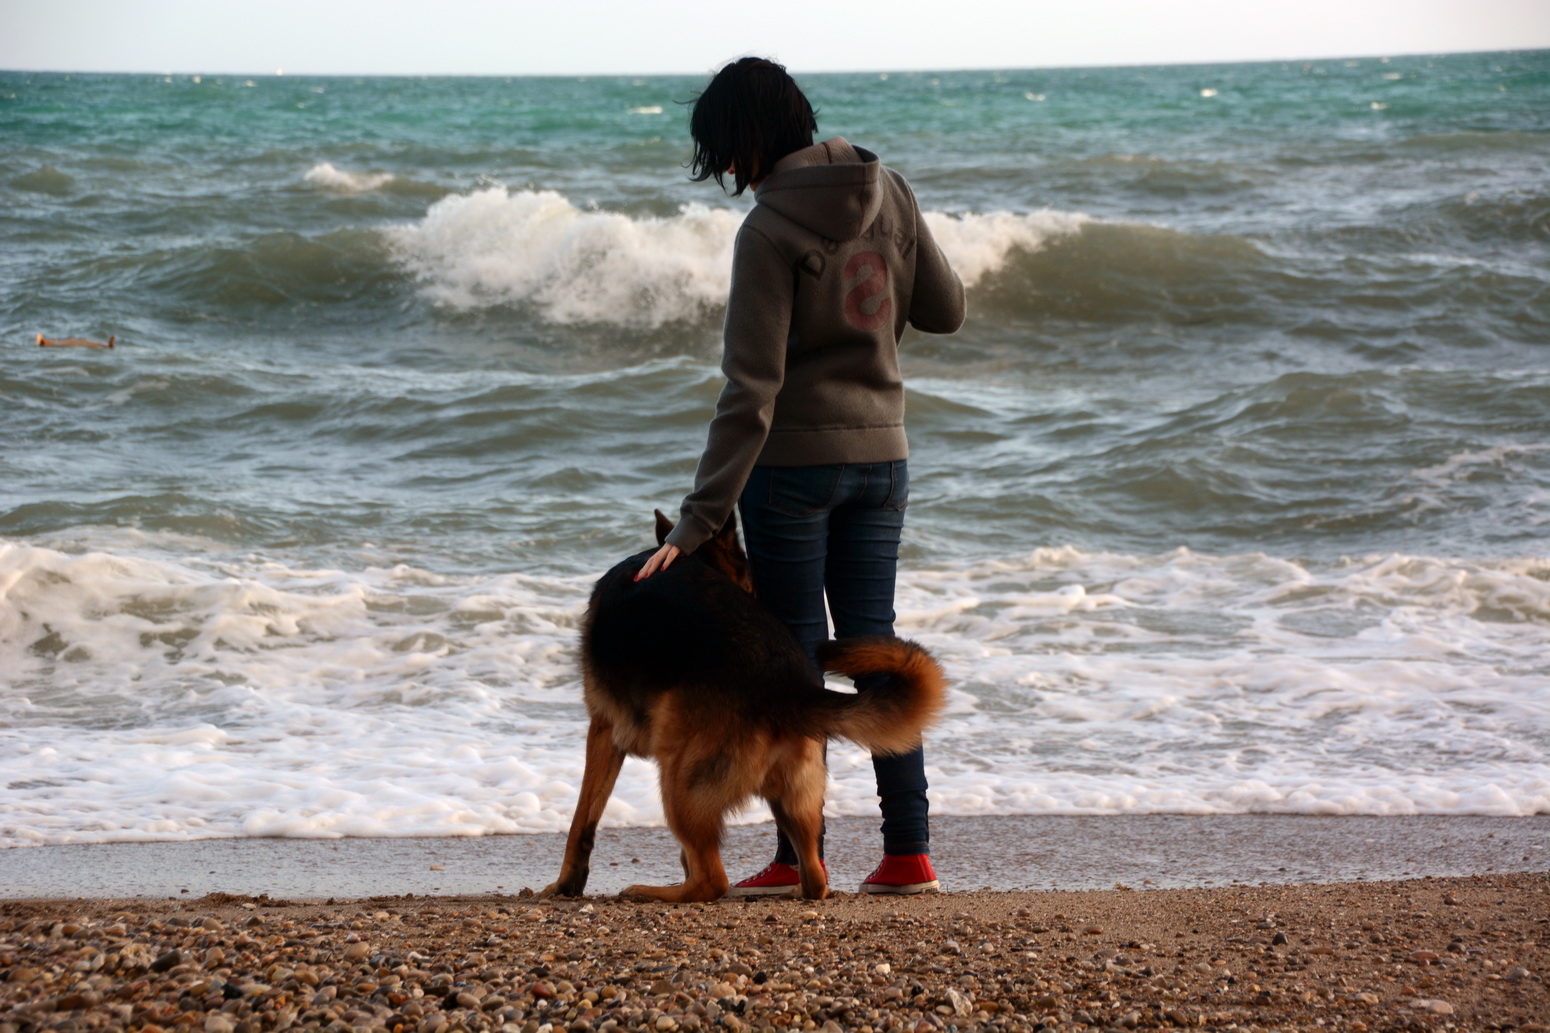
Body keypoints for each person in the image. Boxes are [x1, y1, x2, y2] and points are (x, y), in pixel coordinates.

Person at [635, 56, 965, 896]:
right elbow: (946, 309)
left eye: (725, 156)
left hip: (790, 474)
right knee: (873, 644)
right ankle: (908, 853)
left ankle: (792, 859)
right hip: (883, 456)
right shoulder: (888, 188)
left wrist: (698, 523)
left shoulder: (769, 230)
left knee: (788, 661)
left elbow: (751, 393)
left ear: (744, 144)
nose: (731, 177)